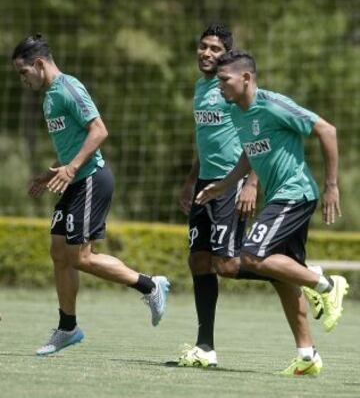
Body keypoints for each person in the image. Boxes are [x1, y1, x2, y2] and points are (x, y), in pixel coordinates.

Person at [178, 24, 325, 374]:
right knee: (199, 261)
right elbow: (205, 140)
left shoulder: (235, 90)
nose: (207, 53)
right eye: (203, 47)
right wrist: (190, 180)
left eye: (215, 48)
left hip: (232, 183)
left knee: (228, 265)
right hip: (206, 184)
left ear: (227, 54)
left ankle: (294, 275)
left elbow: (258, 137)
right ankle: (205, 348)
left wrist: (251, 182)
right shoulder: (202, 89)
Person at [12, 34, 170, 356]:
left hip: (91, 180)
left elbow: (99, 130)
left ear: (39, 64)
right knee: (59, 251)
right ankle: (68, 327)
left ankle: (150, 285)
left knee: (80, 257)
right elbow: (72, 146)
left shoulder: (68, 87)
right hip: (73, 180)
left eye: (23, 72)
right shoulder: (48, 98)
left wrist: (71, 170)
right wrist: (53, 170)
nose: (22, 79)